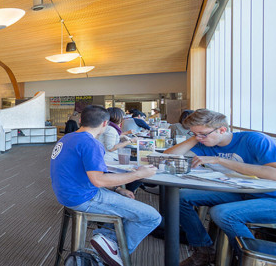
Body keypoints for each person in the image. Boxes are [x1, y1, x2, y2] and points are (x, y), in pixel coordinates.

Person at [50, 105, 161, 265]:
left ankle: (106, 240)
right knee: (152, 217)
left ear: (81, 120)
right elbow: (99, 180)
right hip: (84, 197)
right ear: (104, 124)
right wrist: (139, 174)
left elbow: (86, 175)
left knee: (128, 210)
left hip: (66, 195)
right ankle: (107, 253)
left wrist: (117, 189)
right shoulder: (91, 144)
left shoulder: (67, 138)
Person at [164, 109, 276, 266]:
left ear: (222, 129)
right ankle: (203, 250)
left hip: (270, 197)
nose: (199, 138)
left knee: (222, 213)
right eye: (194, 134)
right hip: (239, 191)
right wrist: (196, 138)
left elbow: (274, 174)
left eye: (203, 134)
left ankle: (254, 261)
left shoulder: (254, 139)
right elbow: (166, 158)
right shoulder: (207, 143)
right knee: (179, 197)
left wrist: (221, 161)